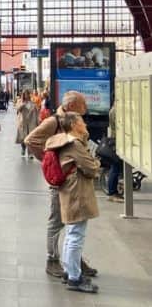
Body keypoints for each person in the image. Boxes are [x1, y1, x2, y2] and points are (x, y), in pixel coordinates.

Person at [24, 89, 98, 279]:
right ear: (72, 106)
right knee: (57, 220)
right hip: (61, 180)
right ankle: (53, 259)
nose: (86, 108)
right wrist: (50, 161)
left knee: (72, 221)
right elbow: (30, 140)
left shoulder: (73, 121)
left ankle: (74, 259)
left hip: (73, 180)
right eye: (83, 105)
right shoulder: (54, 121)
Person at [43, 111, 100, 293]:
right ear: (74, 125)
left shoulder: (63, 141)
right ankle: (75, 278)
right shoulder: (74, 144)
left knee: (71, 234)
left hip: (70, 192)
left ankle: (70, 271)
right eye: (81, 121)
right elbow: (91, 168)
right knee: (76, 235)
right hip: (77, 194)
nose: (84, 123)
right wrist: (96, 163)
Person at [105, 100, 123, 203]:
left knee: (116, 167)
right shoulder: (116, 110)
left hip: (117, 140)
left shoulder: (114, 109)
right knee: (115, 167)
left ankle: (113, 192)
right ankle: (112, 193)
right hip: (117, 141)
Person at [15, 90, 38, 157]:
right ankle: (23, 148)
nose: (27, 96)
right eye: (25, 94)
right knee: (23, 137)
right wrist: (23, 104)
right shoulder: (20, 101)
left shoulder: (32, 102)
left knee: (30, 137)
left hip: (31, 122)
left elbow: (36, 113)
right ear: (23, 95)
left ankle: (30, 153)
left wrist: (37, 122)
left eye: (28, 94)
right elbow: (18, 109)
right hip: (23, 122)